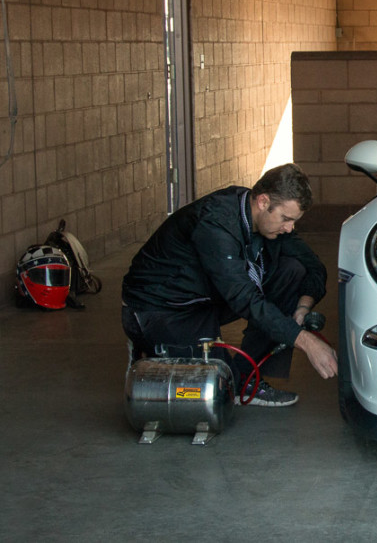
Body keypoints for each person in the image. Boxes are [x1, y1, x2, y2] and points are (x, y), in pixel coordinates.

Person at [121, 163, 337, 407]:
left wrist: (303, 308)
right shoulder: (216, 223)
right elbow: (243, 298)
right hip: (161, 307)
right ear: (263, 202)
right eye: (286, 219)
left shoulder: (269, 223)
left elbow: (313, 267)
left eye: (294, 221)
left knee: (292, 269)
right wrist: (306, 341)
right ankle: (145, 343)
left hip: (206, 297)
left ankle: (249, 378)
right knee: (220, 387)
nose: (289, 228)